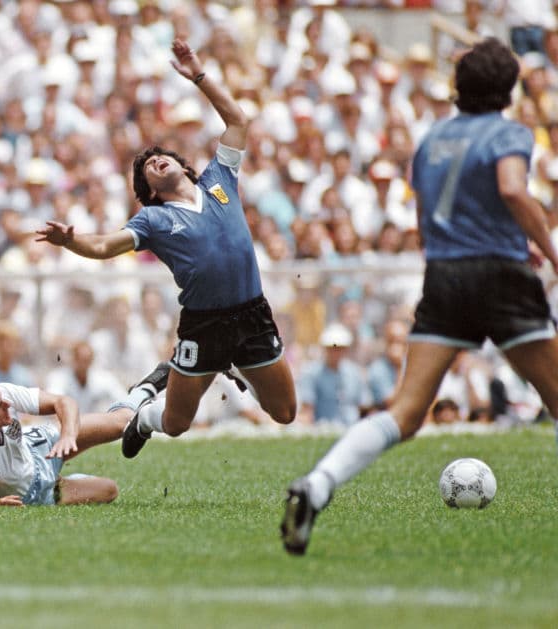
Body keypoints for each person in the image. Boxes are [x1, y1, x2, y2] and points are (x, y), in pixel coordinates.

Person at [281, 38, 558, 555]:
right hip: (499, 272)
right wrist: (545, 248)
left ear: (458, 89)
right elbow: (514, 189)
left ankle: (317, 485)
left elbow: (427, 214)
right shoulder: (508, 133)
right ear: (508, 89)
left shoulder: (432, 141)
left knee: (406, 412)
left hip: (445, 275)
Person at [36, 39, 296, 460]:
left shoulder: (218, 181)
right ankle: (141, 416)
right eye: (146, 167)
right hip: (204, 323)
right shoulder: (154, 220)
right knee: (175, 424)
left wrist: (199, 75)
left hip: (252, 312)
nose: (155, 160)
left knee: (284, 413)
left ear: (181, 164)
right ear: (150, 192)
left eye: (159, 156)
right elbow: (103, 246)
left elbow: (238, 120)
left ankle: (230, 363)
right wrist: (71, 241)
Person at [0, 368, 163, 507]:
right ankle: (66, 481)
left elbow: (63, 402)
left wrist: (68, 435)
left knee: (121, 423)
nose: (7, 403)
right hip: (36, 491)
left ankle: (144, 390)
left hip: (40, 442)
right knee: (109, 490)